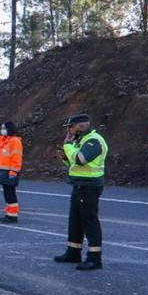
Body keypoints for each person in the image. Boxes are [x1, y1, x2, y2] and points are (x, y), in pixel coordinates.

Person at [54, 114, 108, 271]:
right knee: (75, 220)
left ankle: (94, 257)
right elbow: (73, 161)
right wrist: (65, 156)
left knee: (90, 221)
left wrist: (68, 147)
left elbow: (81, 159)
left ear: (81, 126)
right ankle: (73, 251)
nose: (69, 130)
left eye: (71, 127)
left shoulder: (94, 141)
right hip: (79, 184)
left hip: (90, 186)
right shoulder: (81, 140)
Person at [0, 121, 23, 223]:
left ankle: (12, 215)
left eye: (4, 128)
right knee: (7, 193)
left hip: (10, 171)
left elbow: (17, 157)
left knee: (10, 194)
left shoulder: (15, 141)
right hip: (4, 171)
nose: (2, 130)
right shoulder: (6, 141)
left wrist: (14, 171)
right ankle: (9, 214)